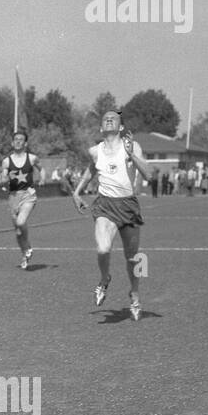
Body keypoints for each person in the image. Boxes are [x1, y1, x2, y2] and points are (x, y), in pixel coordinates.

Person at [71, 111, 151, 321]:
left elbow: (149, 174)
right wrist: (77, 191)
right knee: (103, 248)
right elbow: (91, 171)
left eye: (113, 118)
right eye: (105, 118)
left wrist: (131, 154)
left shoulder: (132, 146)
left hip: (128, 206)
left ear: (121, 127)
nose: (109, 119)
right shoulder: (95, 151)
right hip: (105, 205)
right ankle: (105, 278)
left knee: (132, 258)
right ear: (100, 128)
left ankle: (134, 294)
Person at [0, 129, 40, 270]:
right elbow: (4, 177)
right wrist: (4, 179)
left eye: (21, 139)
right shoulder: (6, 161)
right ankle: (25, 254)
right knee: (17, 231)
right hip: (13, 196)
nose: (18, 141)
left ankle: (27, 246)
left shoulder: (32, 158)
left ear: (25, 143)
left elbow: (40, 167)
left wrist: (42, 176)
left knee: (21, 221)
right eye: (16, 139)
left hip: (28, 194)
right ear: (12, 142)